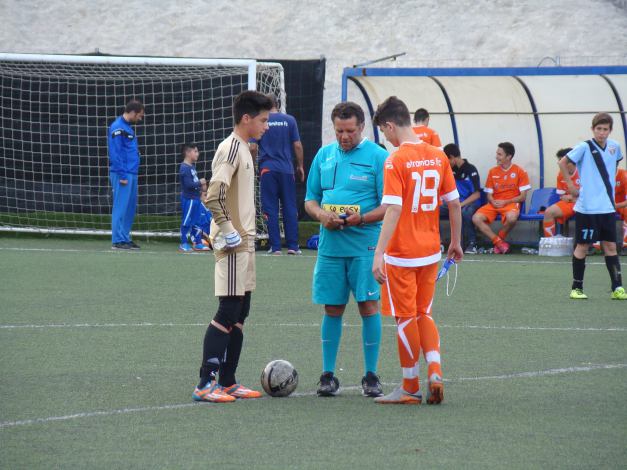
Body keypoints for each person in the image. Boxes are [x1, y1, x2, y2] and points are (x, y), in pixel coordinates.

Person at [371, 96, 463, 405]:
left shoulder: (395, 160)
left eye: (384, 133)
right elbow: (454, 203)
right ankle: (434, 370)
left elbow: (394, 209)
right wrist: (455, 242)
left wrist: (379, 253)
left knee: (405, 317)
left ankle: (410, 386)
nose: (387, 139)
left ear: (390, 126)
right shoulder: (438, 155)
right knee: (424, 312)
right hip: (430, 250)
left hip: (402, 253)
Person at [192, 91, 274, 403]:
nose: (266, 125)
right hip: (232, 244)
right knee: (228, 310)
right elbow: (213, 195)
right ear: (246, 118)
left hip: (245, 242)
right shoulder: (230, 148)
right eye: (263, 120)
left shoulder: (245, 148)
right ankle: (205, 383)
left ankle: (228, 380)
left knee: (241, 311)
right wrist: (227, 231)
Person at [304, 101, 389, 398]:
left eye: (350, 131)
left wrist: (361, 218)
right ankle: (327, 375)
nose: (344, 136)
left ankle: (371, 376)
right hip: (330, 247)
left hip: (366, 246)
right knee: (332, 308)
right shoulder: (324, 155)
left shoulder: (379, 157)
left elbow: (389, 205)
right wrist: (321, 216)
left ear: (362, 127)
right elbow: (310, 199)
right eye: (339, 131)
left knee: (368, 306)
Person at [558, 112, 626, 300]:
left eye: (605, 129)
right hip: (587, 208)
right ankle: (576, 288)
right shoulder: (584, 147)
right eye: (598, 129)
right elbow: (563, 162)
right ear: (592, 129)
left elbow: (613, 164)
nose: (602, 133)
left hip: (607, 207)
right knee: (583, 246)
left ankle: (617, 288)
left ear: (610, 130)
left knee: (610, 246)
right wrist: (570, 185)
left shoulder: (615, 147)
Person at [252, 96, 304, 255]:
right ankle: (293, 246)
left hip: (267, 170)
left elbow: (253, 147)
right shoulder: (289, 120)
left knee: (270, 208)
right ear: (278, 104)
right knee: (290, 207)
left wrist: (253, 166)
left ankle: (275, 247)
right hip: (287, 170)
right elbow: (297, 145)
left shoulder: (260, 121)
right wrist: (300, 165)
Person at [472, 142, 531, 254]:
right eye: (497, 154)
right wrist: (492, 200)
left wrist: (506, 201)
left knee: (512, 218)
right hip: (494, 204)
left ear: (509, 156)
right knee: (476, 218)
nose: (496, 157)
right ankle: (498, 242)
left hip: (510, 203)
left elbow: (523, 197)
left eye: (499, 154)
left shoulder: (520, 171)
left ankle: (499, 239)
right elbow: (489, 194)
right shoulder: (492, 171)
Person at [107, 99, 145, 250]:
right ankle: (117, 240)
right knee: (120, 206)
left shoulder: (128, 127)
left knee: (129, 208)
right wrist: (122, 175)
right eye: (139, 116)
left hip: (131, 173)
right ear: (133, 112)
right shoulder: (117, 127)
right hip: (122, 174)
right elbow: (115, 153)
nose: (140, 119)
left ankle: (124, 237)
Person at [441, 143, 481, 253]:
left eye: (447, 160)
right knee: (435, 209)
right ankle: (438, 242)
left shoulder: (471, 169)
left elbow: (477, 195)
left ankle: (472, 243)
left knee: (465, 212)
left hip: (471, 203)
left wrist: (460, 204)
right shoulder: (450, 170)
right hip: (456, 203)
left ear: (452, 157)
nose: (446, 163)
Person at [178, 143, 211, 252]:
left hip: (196, 199)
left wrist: (201, 189)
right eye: (195, 151)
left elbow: (194, 184)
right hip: (189, 200)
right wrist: (200, 182)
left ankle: (197, 243)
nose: (198, 153)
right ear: (188, 153)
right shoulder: (184, 168)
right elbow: (188, 185)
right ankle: (183, 243)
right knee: (187, 221)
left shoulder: (191, 167)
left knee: (197, 221)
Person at [543, 148, 577, 238]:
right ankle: (550, 241)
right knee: (548, 212)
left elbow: (590, 195)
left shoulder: (584, 171)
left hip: (584, 204)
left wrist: (572, 198)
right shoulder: (561, 174)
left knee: (593, 212)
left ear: (570, 162)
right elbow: (562, 196)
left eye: (561, 160)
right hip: (569, 203)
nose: (558, 163)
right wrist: (571, 198)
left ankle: (594, 244)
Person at [616, 166, 627, 254]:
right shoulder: (600, 175)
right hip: (604, 205)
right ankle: (594, 245)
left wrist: (615, 206)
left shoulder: (624, 175)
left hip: (620, 205)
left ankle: (625, 245)